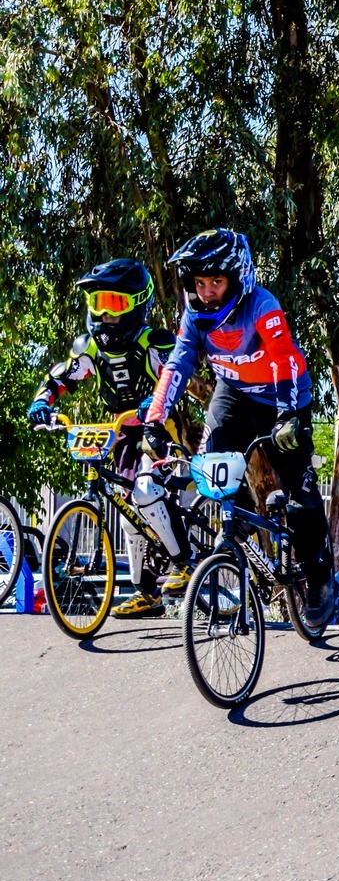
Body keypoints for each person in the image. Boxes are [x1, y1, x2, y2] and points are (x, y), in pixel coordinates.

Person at [144, 230, 335, 618]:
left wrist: (287, 416)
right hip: (233, 395)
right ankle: (241, 518)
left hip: (284, 397)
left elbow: (282, 359)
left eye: (216, 281)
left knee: (299, 490)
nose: (208, 291)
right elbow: (178, 365)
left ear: (237, 277)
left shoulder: (262, 305)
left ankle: (319, 580)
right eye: (200, 282)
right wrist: (155, 419)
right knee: (210, 473)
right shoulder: (195, 316)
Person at [28, 258, 194, 617]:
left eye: (114, 303)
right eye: (98, 303)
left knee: (146, 492)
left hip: (157, 431)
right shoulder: (90, 346)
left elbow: (177, 377)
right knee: (126, 513)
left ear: (138, 303)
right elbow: (63, 376)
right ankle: (146, 593)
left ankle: (185, 564)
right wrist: (43, 400)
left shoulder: (155, 341)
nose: (105, 314)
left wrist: (158, 401)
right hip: (118, 435)